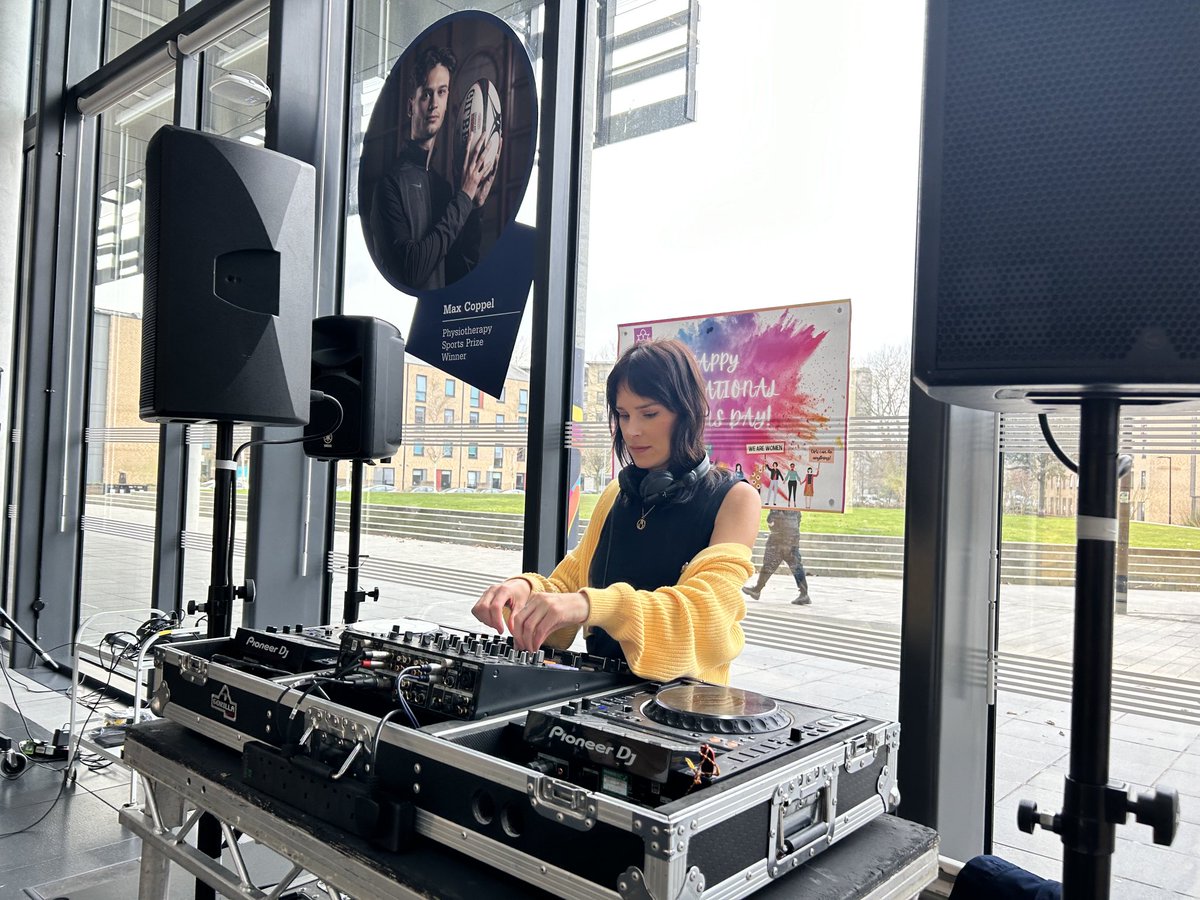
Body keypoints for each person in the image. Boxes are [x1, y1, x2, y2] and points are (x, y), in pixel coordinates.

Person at [472, 339, 761, 684]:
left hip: (686, 709)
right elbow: (570, 583)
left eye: (649, 413)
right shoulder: (616, 494)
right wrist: (524, 589)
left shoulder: (736, 499)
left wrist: (593, 606)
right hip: (601, 695)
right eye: (623, 415)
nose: (632, 430)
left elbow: (706, 616)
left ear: (688, 412)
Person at [371, 46, 501, 292]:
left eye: (441, 93)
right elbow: (411, 271)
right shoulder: (389, 185)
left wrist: (475, 208)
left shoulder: (442, 188)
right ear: (411, 106)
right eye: (426, 94)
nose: (434, 104)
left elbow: (461, 270)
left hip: (437, 326)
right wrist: (464, 197)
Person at [742, 508, 810, 605]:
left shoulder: (779, 504)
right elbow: (798, 518)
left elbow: (771, 519)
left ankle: (757, 590)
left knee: (770, 564)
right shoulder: (793, 505)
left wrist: (772, 526)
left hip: (780, 537)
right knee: (794, 565)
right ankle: (804, 593)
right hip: (791, 537)